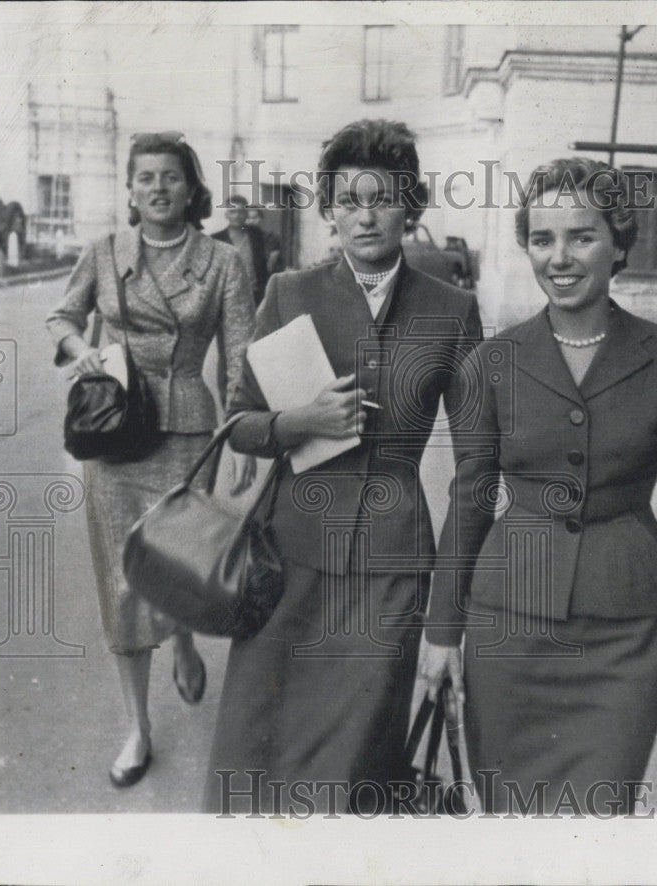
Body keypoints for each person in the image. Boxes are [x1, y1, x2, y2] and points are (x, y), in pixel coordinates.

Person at [420, 157, 657, 815]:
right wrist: (442, 632)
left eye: (581, 236)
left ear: (618, 243)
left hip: (627, 633)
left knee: (596, 825)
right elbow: (469, 497)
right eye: (542, 239)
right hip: (508, 627)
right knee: (511, 823)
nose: (561, 257)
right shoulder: (493, 363)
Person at [204, 119, 482, 814]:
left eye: (383, 197)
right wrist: (303, 423)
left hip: (390, 577)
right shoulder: (288, 294)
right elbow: (237, 425)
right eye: (348, 197)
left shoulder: (452, 313)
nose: (365, 213)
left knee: (350, 772)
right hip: (286, 564)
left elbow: (478, 473)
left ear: (411, 207)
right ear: (327, 208)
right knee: (254, 758)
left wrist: (445, 624)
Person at [46, 132, 256, 788]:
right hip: (114, 433)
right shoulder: (105, 254)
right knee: (121, 579)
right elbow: (60, 317)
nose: (158, 188)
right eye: (145, 178)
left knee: (178, 568)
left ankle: (184, 636)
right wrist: (80, 347)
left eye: (171, 177)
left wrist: (244, 434)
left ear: (193, 190)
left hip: (189, 436)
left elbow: (242, 353)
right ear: (131, 191)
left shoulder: (223, 261)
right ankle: (137, 727)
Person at [212, 194, 271, 308]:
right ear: (226, 215)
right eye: (233, 212)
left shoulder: (256, 234)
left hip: (255, 295)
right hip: (227, 297)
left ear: (246, 214)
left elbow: (263, 267)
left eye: (241, 212)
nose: (237, 216)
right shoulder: (217, 239)